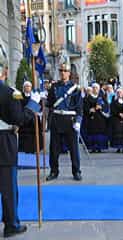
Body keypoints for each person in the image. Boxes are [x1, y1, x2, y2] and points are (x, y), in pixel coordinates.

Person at [0, 40, 40, 237]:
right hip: (4, 145)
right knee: (8, 190)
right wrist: (32, 105)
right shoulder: (10, 94)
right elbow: (19, 119)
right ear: (4, 72)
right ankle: (11, 225)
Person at [46, 56, 83, 181]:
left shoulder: (75, 88)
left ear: (69, 73)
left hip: (70, 120)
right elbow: (49, 105)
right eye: (61, 71)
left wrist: (78, 121)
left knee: (73, 148)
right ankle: (54, 171)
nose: (63, 73)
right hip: (57, 119)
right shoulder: (54, 87)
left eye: (65, 71)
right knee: (54, 148)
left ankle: (76, 171)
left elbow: (79, 108)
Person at [18, 81, 43, 153]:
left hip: (33, 119)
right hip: (24, 118)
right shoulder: (20, 96)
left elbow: (39, 106)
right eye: (26, 86)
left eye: (29, 86)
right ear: (23, 87)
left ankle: (34, 149)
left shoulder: (34, 96)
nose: (27, 88)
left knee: (33, 136)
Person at [83, 83, 109, 153]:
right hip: (92, 118)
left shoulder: (102, 97)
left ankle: (100, 147)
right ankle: (93, 147)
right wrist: (90, 109)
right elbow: (85, 107)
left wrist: (102, 107)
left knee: (100, 133)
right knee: (92, 133)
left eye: (96, 88)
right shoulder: (88, 98)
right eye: (94, 88)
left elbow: (106, 105)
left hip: (100, 118)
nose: (95, 89)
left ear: (99, 89)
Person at [109, 88, 123, 153]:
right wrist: (118, 114)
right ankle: (118, 147)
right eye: (118, 93)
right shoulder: (114, 102)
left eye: (121, 92)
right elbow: (112, 109)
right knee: (117, 133)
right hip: (117, 119)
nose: (119, 94)